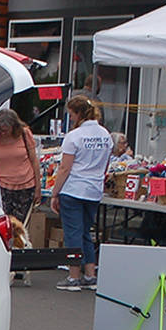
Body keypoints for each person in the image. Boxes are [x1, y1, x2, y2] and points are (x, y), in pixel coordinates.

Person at [49, 95, 113, 291]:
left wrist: (54, 193)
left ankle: (73, 276)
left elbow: (65, 169)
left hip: (74, 188)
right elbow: (106, 165)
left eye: (71, 114)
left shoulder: (74, 136)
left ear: (77, 114)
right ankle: (90, 275)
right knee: (86, 232)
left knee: (72, 233)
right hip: (94, 189)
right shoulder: (105, 135)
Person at [0, 108, 40, 225]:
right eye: (0, 130)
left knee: (20, 225)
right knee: (3, 223)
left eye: (5, 130)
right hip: (2, 185)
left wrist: (38, 186)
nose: (3, 133)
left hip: (26, 185)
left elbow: (34, 160)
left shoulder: (24, 133)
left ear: (14, 126)